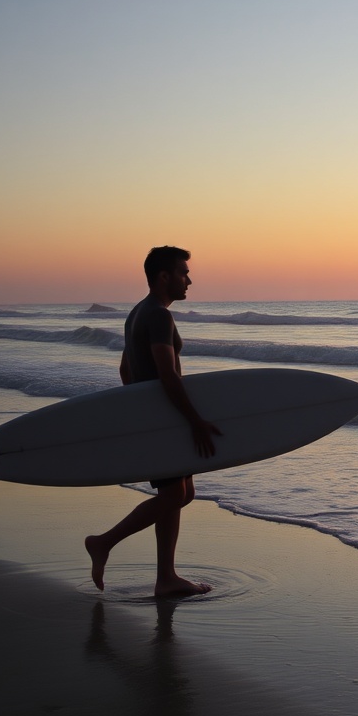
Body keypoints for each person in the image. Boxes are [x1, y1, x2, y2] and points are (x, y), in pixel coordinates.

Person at [85, 246, 221, 597]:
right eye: (183, 272)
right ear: (164, 277)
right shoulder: (159, 316)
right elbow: (167, 374)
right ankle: (104, 542)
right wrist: (194, 421)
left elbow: (125, 368)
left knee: (180, 493)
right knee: (176, 493)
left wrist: (140, 410)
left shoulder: (137, 313)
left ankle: (166, 577)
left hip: (159, 418)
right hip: (166, 418)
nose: (189, 280)